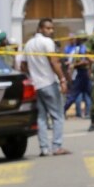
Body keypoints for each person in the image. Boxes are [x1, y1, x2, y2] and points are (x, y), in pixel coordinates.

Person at [21, 18, 70, 156]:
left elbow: (23, 65)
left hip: (36, 85)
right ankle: (57, 146)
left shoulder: (29, 44)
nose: (51, 31)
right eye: (48, 28)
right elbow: (54, 62)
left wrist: (32, 75)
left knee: (41, 117)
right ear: (40, 29)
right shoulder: (47, 42)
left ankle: (44, 148)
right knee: (58, 116)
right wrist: (62, 79)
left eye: (52, 28)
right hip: (48, 83)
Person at [63, 31, 92, 120]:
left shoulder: (82, 48)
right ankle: (62, 111)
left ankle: (92, 112)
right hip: (81, 73)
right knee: (74, 95)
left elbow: (84, 60)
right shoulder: (79, 48)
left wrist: (74, 65)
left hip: (84, 73)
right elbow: (80, 61)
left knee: (91, 94)